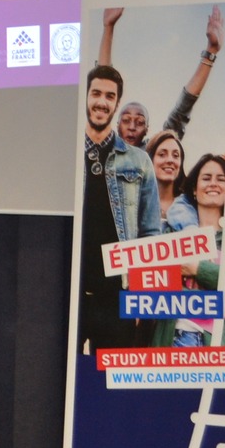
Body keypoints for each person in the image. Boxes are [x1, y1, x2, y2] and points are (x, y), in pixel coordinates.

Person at [77, 63, 161, 355]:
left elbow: (150, 233)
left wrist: (139, 296)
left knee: (111, 378)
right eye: (96, 93)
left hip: (118, 295)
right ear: (86, 96)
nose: (102, 102)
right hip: (70, 289)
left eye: (110, 96)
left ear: (116, 103)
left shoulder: (139, 161)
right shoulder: (66, 151)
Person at [156, 153, 225, 365]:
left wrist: (198, 269)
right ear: (194, 189)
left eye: (221, 179)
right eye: (206, 178)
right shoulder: (171, 233)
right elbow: (152, 287)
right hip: (176, 341)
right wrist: (207, 304)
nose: (213, 184)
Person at [98, 5, 224, 146]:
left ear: (147, 129)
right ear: (117, 124)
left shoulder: (152, 151)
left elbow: (181, 112)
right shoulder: (104, 147)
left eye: (140, 122)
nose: (132, 127)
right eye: (126, 120)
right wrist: (108, 27)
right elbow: (103, 87)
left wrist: (211, 52)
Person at [147, 128, 193, 231]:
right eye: (162, 155)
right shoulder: (135, 204)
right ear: (150, 159)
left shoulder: (191, 205)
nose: (170, 160)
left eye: (175, 156)